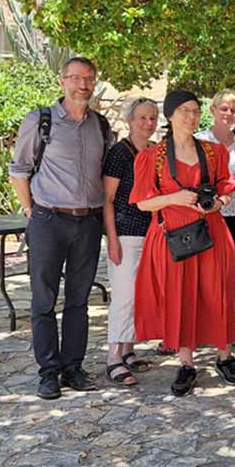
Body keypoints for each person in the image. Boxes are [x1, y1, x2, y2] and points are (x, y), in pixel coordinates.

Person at [9, 56, 111, 400]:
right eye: (76, 78)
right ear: (63, 81)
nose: (83, 85)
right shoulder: (41, 121)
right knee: (43, 300)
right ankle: (49, 371)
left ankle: (73, 367)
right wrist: (30, 210)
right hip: (49, 221)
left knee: (79, 300)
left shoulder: (101, 125)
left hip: (88, 222)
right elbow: (19, 169)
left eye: (89, 79)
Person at [130, 90, 235, 397]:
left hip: (212, 233)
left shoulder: (213, 151)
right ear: (169, 115)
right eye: (184, 110)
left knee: (218, 294)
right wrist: (174, 198)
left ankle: (225, 356)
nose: (191, 116)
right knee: (179, 297)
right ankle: (186, 363)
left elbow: (226, 187)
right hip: (172, 236)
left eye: (195, 110)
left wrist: (219, 201)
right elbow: (142, 203)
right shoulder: (151, 157)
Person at [101, 97, 159, 386]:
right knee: (124, 296)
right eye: (143, 118)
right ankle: (113, 356)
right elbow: (108, 199)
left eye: (153, 118)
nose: (148, 123)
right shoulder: (119, 153)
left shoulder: (155, 151)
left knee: (141, 295)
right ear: (130, 121)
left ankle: (128, 348)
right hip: (126, 232)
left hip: (152, 233)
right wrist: (112, 238)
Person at [195, 89, 235, 348]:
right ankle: (201, 324)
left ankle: (231, 325)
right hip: (204, 215)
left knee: (234, 272)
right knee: (202, 270)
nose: (228, 114)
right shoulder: (199, 141)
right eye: (224, 109)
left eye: (233, 110)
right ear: (213, 111)